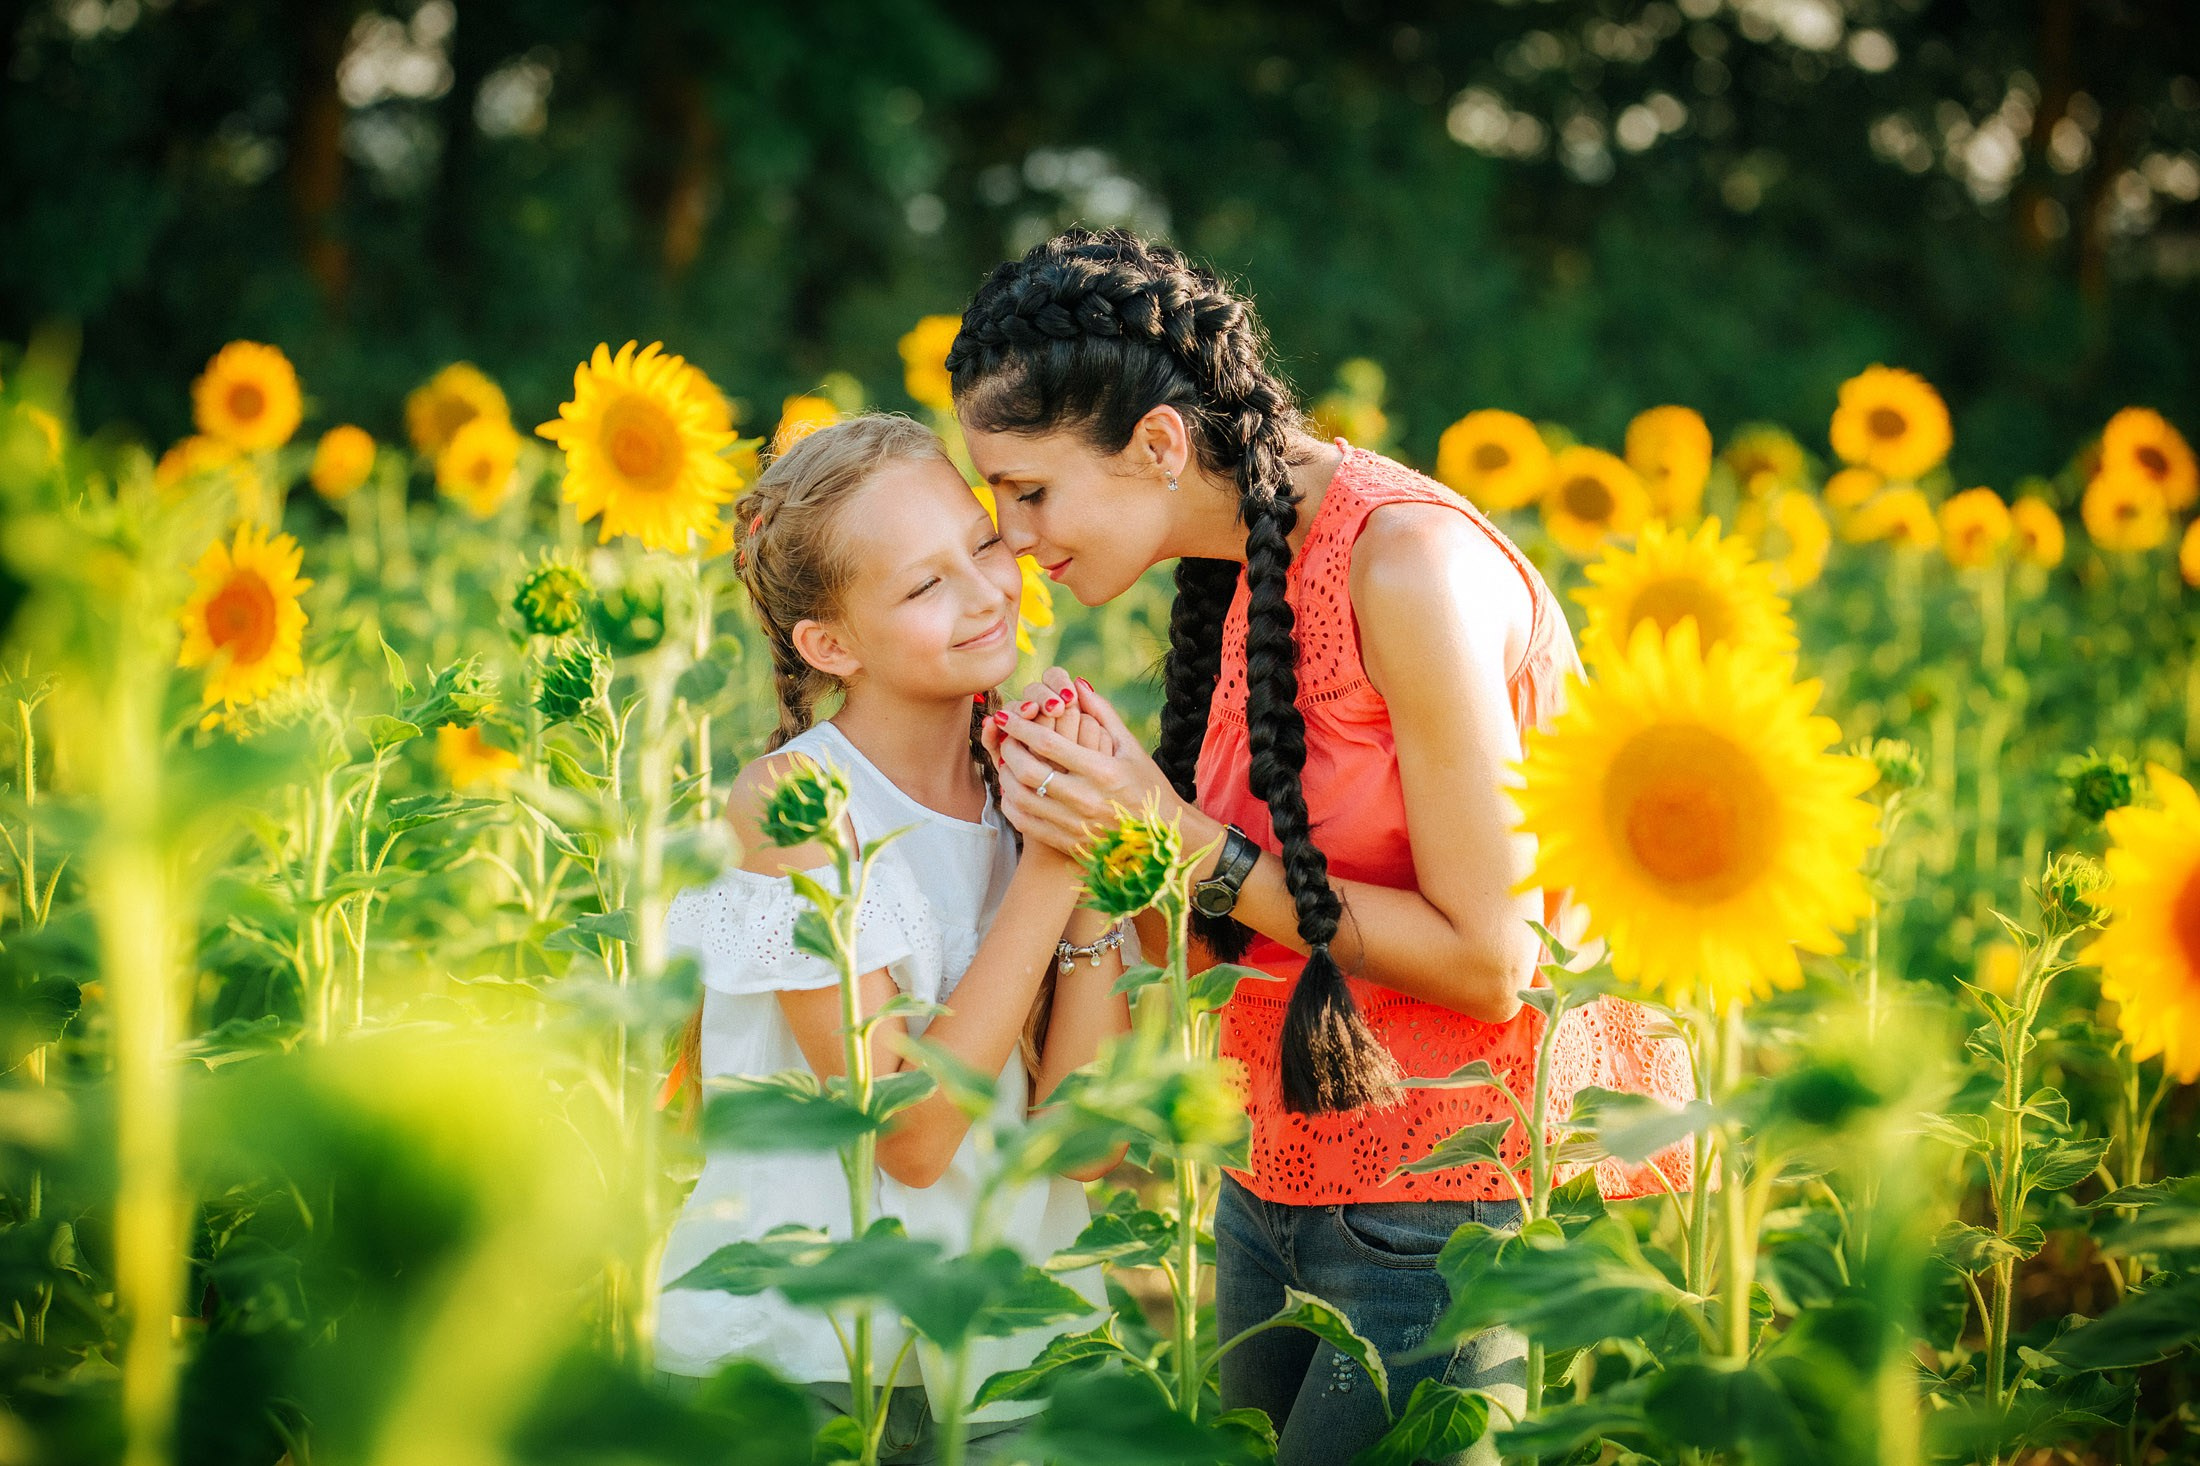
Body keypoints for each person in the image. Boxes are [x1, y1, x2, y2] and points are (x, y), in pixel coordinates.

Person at [946, 229, 1697, 1466]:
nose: (1012, 535)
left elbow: (1492, 958)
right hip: (1274, 1160)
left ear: (1156, 446)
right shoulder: (1249, 546)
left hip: (1443, 1192)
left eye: (1028, 488)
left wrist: (1175, 839)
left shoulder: (1404, 565)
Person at [650, 414, 1131, 1463]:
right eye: (923, 587)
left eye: (983, 543)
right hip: (804, 1355)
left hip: (1012, 1346)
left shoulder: (1023, 784)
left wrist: (1090, 858)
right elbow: (908, 1138)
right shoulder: (796, 803)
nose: (985, 590)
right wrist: (1054, 870)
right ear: (830, 644)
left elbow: (1087, 1143)